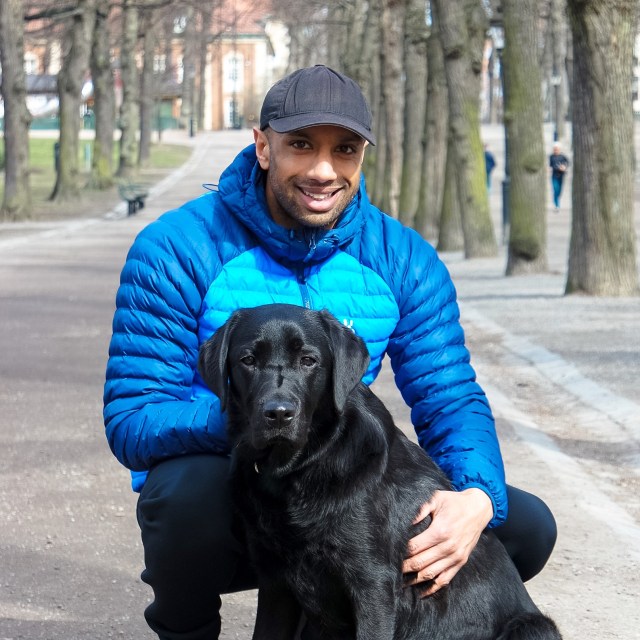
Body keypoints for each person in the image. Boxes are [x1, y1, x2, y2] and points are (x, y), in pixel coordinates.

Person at [104, 64, 557, 640]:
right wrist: (255, 420)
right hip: (230, 492)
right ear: (262, 146)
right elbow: (134, 417)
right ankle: (187, 631)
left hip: (334, 495)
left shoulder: (403, 258)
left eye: (343, 149)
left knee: (523, 526)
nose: (323, 170)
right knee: (184, 499)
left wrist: (475, 497)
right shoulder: (176, 247)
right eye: (301, 145)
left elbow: (449, 394)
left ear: (362, 155)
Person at [549, 142, 569, 211]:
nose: (556, 150)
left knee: (559, 191)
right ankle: (557, 205)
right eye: (554, 149)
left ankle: (557, 200)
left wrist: (564, 167)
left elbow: (567, 163)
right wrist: (558, 168)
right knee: (555, 189)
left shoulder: (563, 156)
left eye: (557, 149)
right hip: (554, 175)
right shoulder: (551, 156)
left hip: (561, 175)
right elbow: (551, 165)